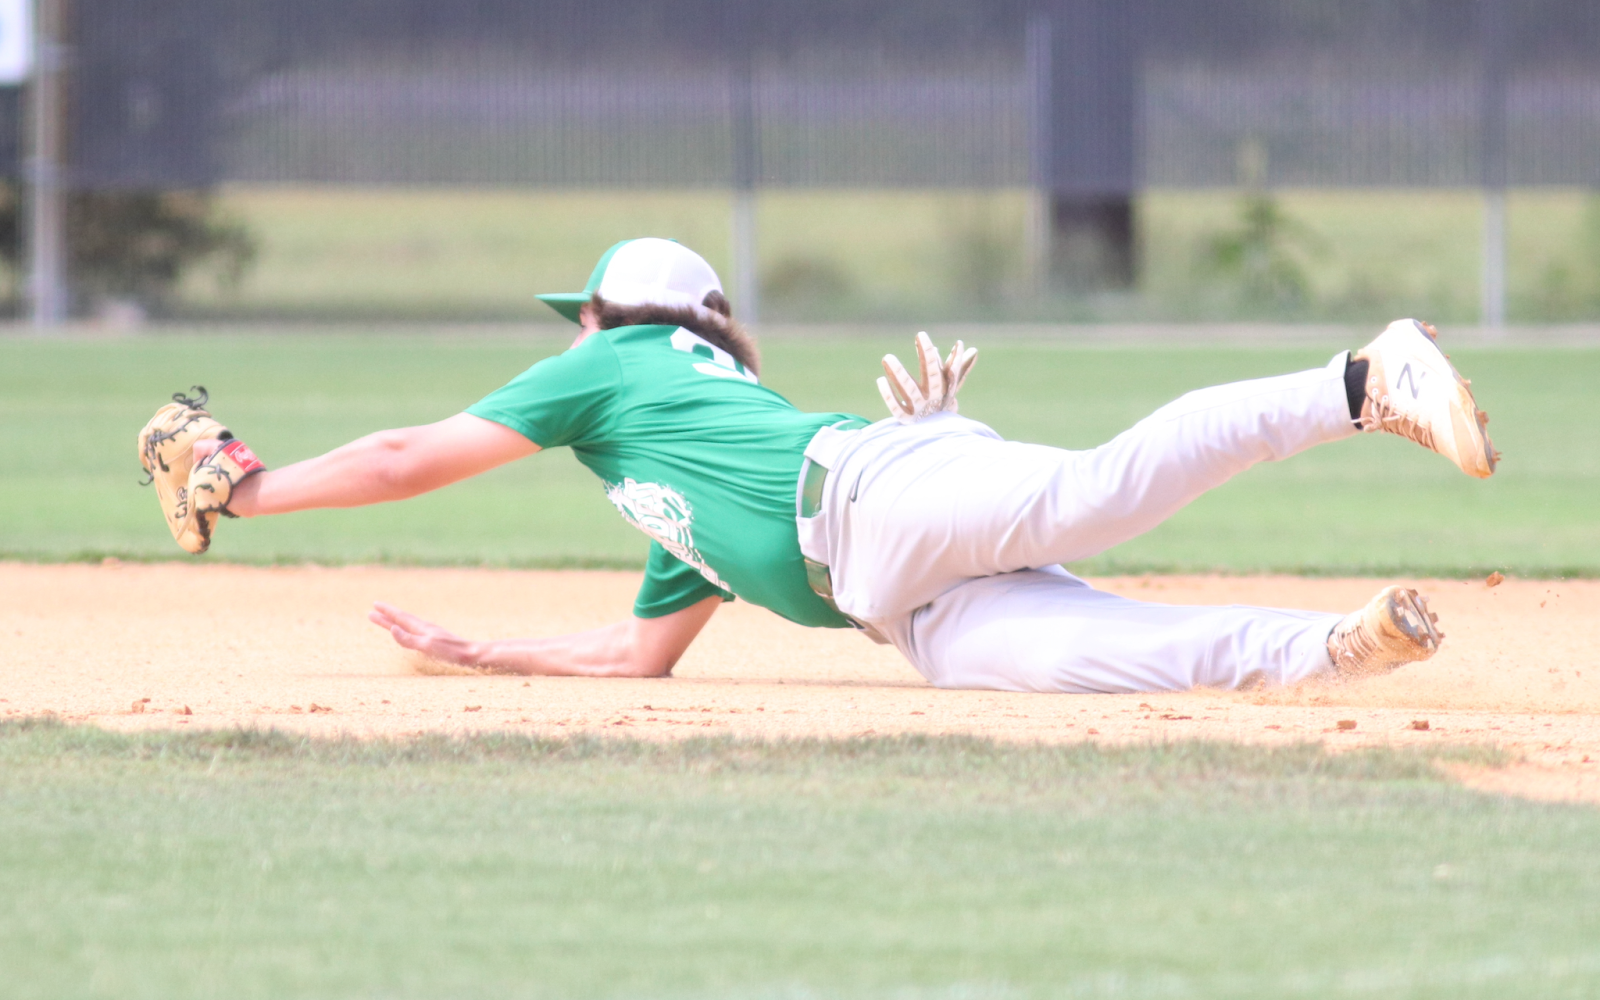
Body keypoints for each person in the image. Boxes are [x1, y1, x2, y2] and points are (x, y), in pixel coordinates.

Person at [143, 237, 1497, 693]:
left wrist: (251, 490)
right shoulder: (667, 466)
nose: (572, 337)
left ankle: (1361, 380)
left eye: (584, 318)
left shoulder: (616, 364)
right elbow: (640, 656)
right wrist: (484, 652)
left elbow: (400, 459)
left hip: (873, 502)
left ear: (624, 320)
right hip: (901, 606)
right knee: (1104, 659)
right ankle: (1337, 649)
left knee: (1093, 492)